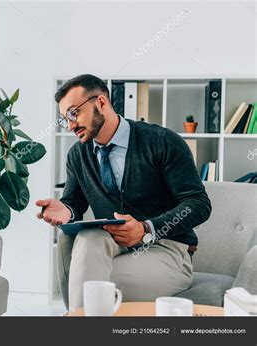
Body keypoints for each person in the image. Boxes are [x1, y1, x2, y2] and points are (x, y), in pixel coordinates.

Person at [36, 74, 212, 310]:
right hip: (111, 247)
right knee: (89, 240)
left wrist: (147, 228)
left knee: (88, 284)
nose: (70, 125)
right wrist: (65, 211)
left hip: (166, 249)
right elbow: (73, 204)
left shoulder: (163, 141)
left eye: (73, 113)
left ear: (101, 102)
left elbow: (198, 203)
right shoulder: (78, 155)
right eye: (64, 119)